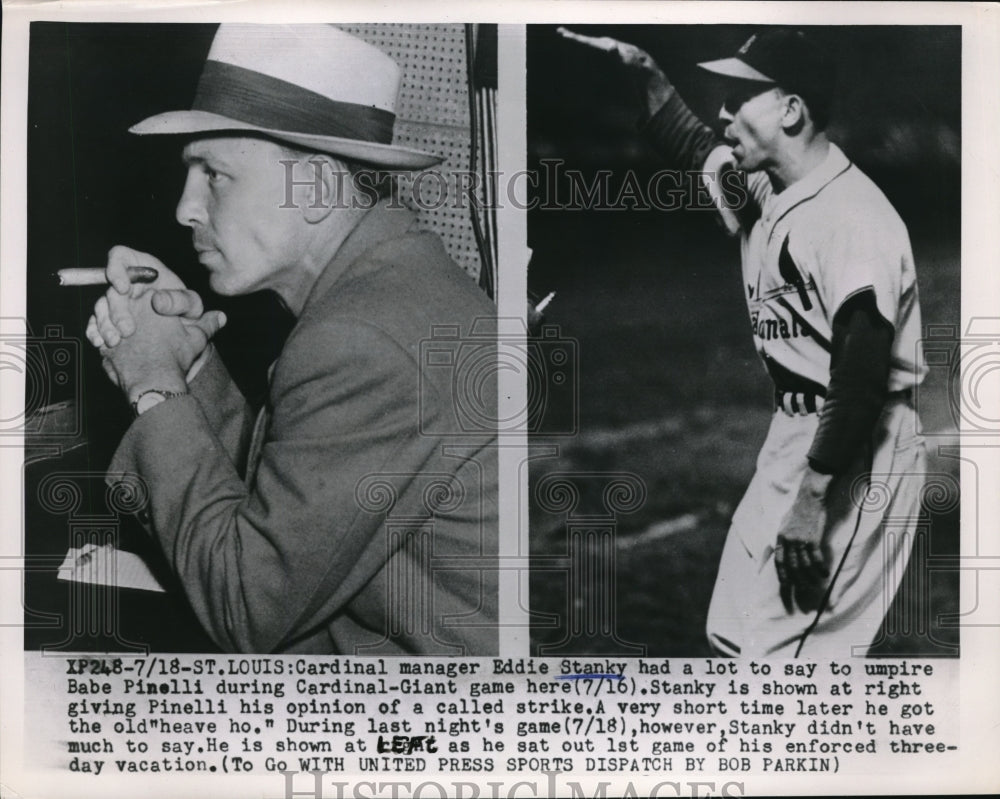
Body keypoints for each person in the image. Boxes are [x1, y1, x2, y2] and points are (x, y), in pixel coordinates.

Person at [86, 24, 498, 655]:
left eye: (214, 175)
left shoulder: (364, 339)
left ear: (321, 188)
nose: (184, 209)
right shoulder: (384, 290)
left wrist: (152, 387)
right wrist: (188, 361)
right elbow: (288, 515)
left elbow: (247, 609)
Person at [564, 27, 927, 657]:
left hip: (855, 448)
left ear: (791, 110)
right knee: (735, 634)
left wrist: (813, 503)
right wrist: (646, 74)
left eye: (740, 98)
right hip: (800, 436)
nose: (723, 113)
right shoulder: (767, 189)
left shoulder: (853, 221)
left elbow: (861, 375)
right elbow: (694, 147)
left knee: (781, 664)